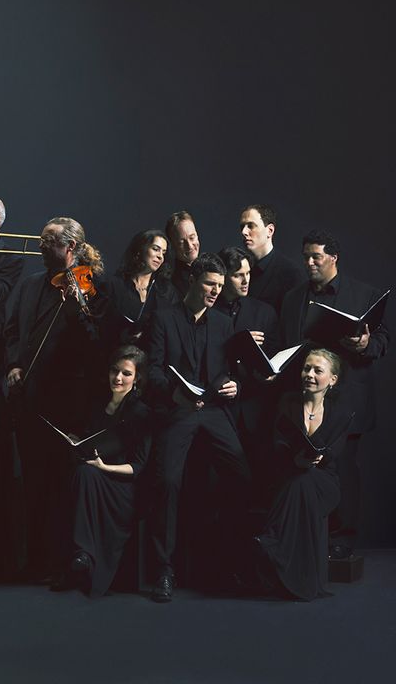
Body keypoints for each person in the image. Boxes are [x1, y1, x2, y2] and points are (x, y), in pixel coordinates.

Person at [3, 217, 110, 579]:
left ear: (71, 248)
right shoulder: (30, 284)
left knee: (61, 482)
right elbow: (11, 331)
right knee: (31, 480)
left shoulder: (88, 283)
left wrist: (78, 308)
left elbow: (96, 344)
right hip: (29, 397)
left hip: (66, 402)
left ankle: (62, 562)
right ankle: (32, 561)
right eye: (42, 240)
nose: (40, 246)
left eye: (48, 242)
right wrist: (14, 364)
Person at [277, 229, 389, 560]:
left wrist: (366, 344)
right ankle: (309, 536)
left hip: (348, 397)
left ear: (333, 258)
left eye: (316, 256)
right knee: (304, 465)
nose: (309, 263)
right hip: (304, 397)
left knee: (344, 468)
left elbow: (383, 339)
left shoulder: (364, 294)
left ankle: (342, 537)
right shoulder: (293, 298)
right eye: (306, 257)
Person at [145, 255, 250, 603]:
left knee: (241, 475)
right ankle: (164, 570)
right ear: (192, 280)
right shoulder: (163, 318)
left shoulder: (224, 323)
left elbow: (230, 371)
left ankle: (228, 564)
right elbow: (153, 371)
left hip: (214, 410)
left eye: (219, 286)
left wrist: (234, 385)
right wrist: (172, 393)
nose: (216, 292)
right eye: (209, 284)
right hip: (179, 410)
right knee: (167, 481)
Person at [55, 346, 154, 597]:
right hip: (95, 477)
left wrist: (104, 467)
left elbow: (138, 466)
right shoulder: (98, 405)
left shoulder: (141, 413)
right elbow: (92, 443)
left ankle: (82, 556)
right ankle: (80, 557)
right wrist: (77, 441)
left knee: (85, 474)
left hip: (122, 486)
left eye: (126, 373)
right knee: (78, 473)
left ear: (137, 379)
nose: (118, 378)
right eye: (114, 371)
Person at [254, 349, 352, 600]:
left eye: (318, 370)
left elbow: (334, 453)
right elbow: (277, 442)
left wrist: (318, 458)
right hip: (292, 475)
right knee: (300, 480)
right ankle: (301, 581)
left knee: (305, 479)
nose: (309, 374)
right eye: (306, 368)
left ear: (332, 379)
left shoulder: (340, 411)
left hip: (325, 482)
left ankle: (272, 541)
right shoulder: (287, 401)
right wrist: (294, 459)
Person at [214, 246, 280, 462]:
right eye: (238, 275)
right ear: (223, 277)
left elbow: (276, 356)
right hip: (218, 407)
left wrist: (270, 374)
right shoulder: (208, 311)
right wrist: (238, 341)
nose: (246, 280)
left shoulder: (264, 312)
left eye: (248, 273)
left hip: (256, 409)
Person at [108, 229, 174, 346]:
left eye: (163, 253)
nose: (160, 256)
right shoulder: (115, 284)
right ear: (140, 249)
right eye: (156, 249)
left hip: (153, 353)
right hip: (118, 350)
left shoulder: (166, 290)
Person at [239, 204, 301, 315]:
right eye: (242, 226)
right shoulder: (239, 269)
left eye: (251, 226)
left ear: (270, 231)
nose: (244, 232)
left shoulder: (291, 273)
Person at [164, 211, 200, 296]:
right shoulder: (171, 282)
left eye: (192, 237)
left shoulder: (210, 270)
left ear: (197, 235)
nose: (190, 246)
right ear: (172, 245)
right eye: (181, 242)